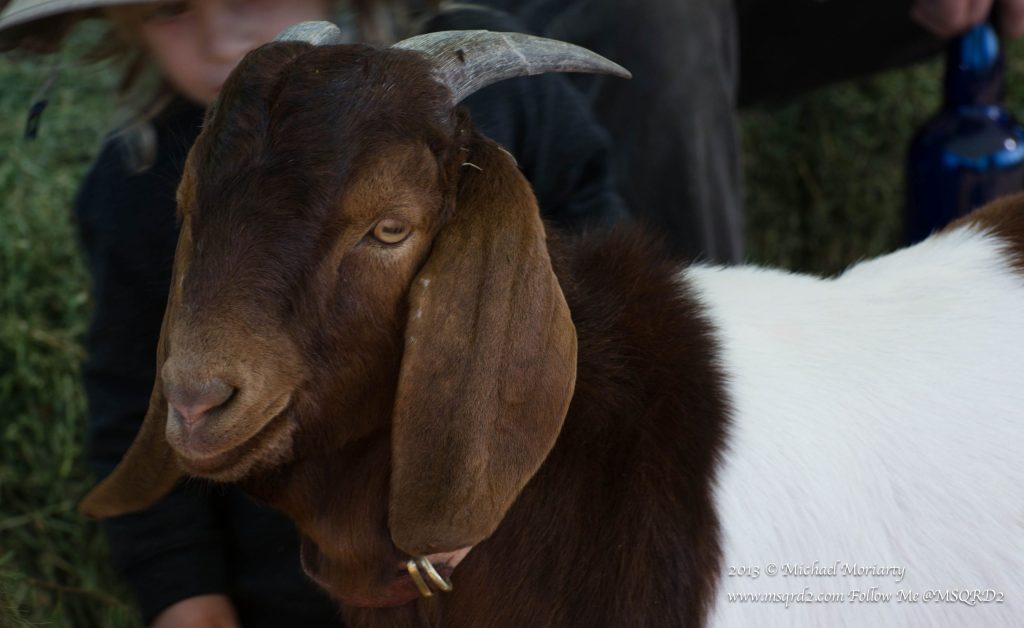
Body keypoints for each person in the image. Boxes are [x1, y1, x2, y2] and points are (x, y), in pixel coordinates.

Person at [0, 1, 627, 626]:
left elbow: (602, 276)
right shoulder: (135, 184)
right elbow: (133, 388)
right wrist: (181, 590)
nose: (222, 38)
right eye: (169, 7)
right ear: (125, 28)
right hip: (294, 579)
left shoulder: (493, 109)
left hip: (525, 531)